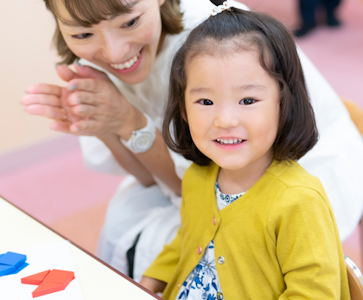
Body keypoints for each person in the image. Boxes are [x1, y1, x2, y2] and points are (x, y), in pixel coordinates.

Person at [21, 0, 363, 282]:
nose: (113, 52)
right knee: (129, 217)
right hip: (195, 179)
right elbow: (160, 183)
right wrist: (103, 124)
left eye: (130, 22)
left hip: (279, 170)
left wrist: (129, 122)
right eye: (82, 33)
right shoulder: (94, 58)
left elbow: (211, 185)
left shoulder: (210, 51)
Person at [141, 3, 350, 299]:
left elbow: (313, 293)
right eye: (205, 102)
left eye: (248, 101)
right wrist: (149, 282)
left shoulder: (299, 202)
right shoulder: (197, 178)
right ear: (183, 111)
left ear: (283, 103)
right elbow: (187, 240)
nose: (225, 120)